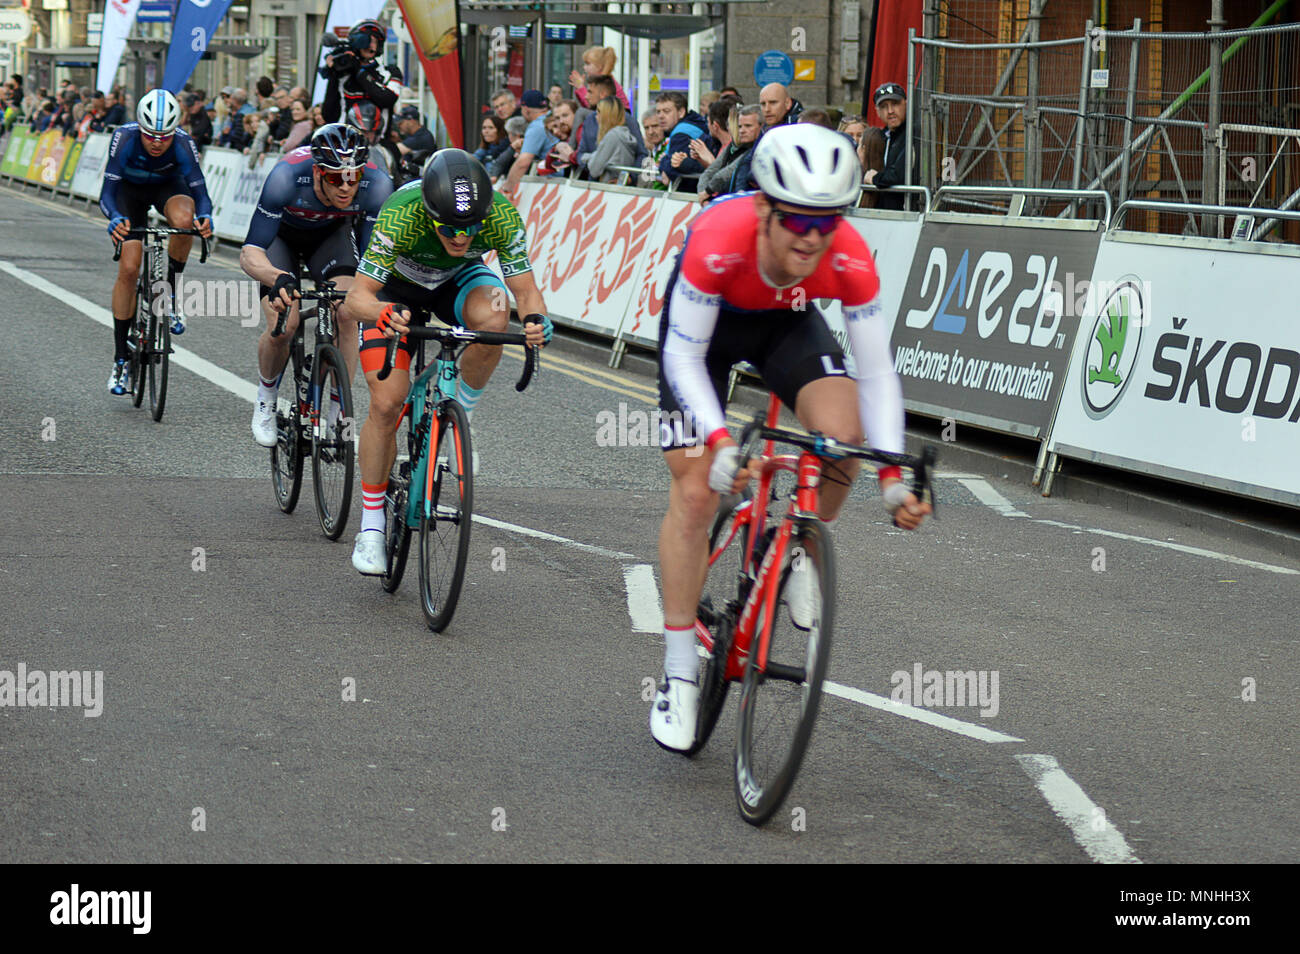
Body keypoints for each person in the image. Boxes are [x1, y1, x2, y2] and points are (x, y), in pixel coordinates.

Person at [648, 125, 931, 750]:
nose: (812, 236)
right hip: (707, 336)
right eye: (798, 219)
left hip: (788, 325)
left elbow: (878, 372)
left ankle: (800, 545)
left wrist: (890, 479)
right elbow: (683, 357)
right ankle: (675, 672)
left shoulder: (847, 254)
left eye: (826, 222)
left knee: (845, 435)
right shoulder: (719, 238)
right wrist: (721, 443)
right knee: (696, 491)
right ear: (765, 208)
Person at [344, 150, 552, 574]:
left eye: (470, 229)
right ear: (428, 211)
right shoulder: (401, 212)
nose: (460, 238)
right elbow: (357, 296)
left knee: (495, 315)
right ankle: (370, 527)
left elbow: (525, 291)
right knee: (387, 403)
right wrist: (381, 315)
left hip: (456, 280)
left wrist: (537, 321)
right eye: (449, 229)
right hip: (396, 290)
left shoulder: (502, 215)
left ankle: (461, 419)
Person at [242, 123, 393, 447]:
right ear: (317, 172)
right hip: (280, 238)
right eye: (336, 178)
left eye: (352, 177)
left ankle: (339, 411)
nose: (345, 187)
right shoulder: (285, 177)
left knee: (348, 312)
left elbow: (372, 260)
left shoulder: (378, 185)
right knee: (285, 324)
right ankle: (266, 396)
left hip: (330, 238)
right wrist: (276, 278)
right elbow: (250, 252)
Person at [101, 90, 215, 394]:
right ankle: (121, 359)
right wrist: (114, 217)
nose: (156, 141)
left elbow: (201, 193)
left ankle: (172, 294)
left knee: (184, 222)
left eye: (164, 136)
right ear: (139, 126)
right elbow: (107, 194)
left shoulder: (183, 144)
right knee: (129, 268)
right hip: (129, 194)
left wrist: (204, 216)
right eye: (150, 134)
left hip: (168, 187)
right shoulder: (124, 139)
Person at [321, 19, 400, 139]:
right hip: (346, 143)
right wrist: (333, 73)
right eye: (365, 40)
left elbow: (387, 99)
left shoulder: (390, 72)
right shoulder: (344, 73)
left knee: (395, 154)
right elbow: (328, 114)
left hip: (380, 143)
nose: (369, 45)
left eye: (374, 41)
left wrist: (359, 70)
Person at [574, 74, 646, 172]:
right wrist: (592, 163)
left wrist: (629, 177)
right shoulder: (589, 120)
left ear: (603, 94)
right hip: (592, 183)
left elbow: (641, 154)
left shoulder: (627, 120)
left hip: (618, 184)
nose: (586, 96)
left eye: (590, 92)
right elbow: (580, 154)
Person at [865, 82, 916, 211]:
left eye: (895, 104)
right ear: (877, 112)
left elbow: (899, 175)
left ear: (906, 103)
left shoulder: (914, 132)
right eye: (883, 107)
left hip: (909, 214)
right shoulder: (884, 136)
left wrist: (875, 178)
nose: (890, 111)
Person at [697, 103, 760, 202]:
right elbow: (708, 173)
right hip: (727, 202)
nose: (742, 130)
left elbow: (724, 175)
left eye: (748, 126)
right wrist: (704, 198)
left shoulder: (754, 149)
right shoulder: (731, 147)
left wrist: (707, 193)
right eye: (740, 126)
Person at [503, 90, 556, 193]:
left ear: (526, 109)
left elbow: (523, 162)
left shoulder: (537, 126)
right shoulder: (553, 117)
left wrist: (507, 188)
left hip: (553, 182)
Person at [655, 92, 712, 186]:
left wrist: (664, 161)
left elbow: (671, 172)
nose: (661, 116)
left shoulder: (681, 134)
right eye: (658, 112)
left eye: (666, 111)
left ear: (681, 112)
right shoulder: (694, 123)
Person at [586, 97, 637, 183]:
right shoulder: (624, 134)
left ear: (606, 115)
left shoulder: (612, 136)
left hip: (608, 188)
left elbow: (594, 170)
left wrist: (589, 158)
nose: (596, 117)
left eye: (598, 112)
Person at [569, 45, 631, 112]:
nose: (584, 67)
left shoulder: (604, 83)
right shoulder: (605, 81)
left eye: (588, 64)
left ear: (599, 66)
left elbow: (590, 105)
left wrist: (580, 87)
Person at [488, 116, 527, 182]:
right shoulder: (511, 147)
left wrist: (511, 149)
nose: (508, 137)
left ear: (517, 135)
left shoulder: (528, 148)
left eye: (509, 134)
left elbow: (499, 163)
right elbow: (498, 164)